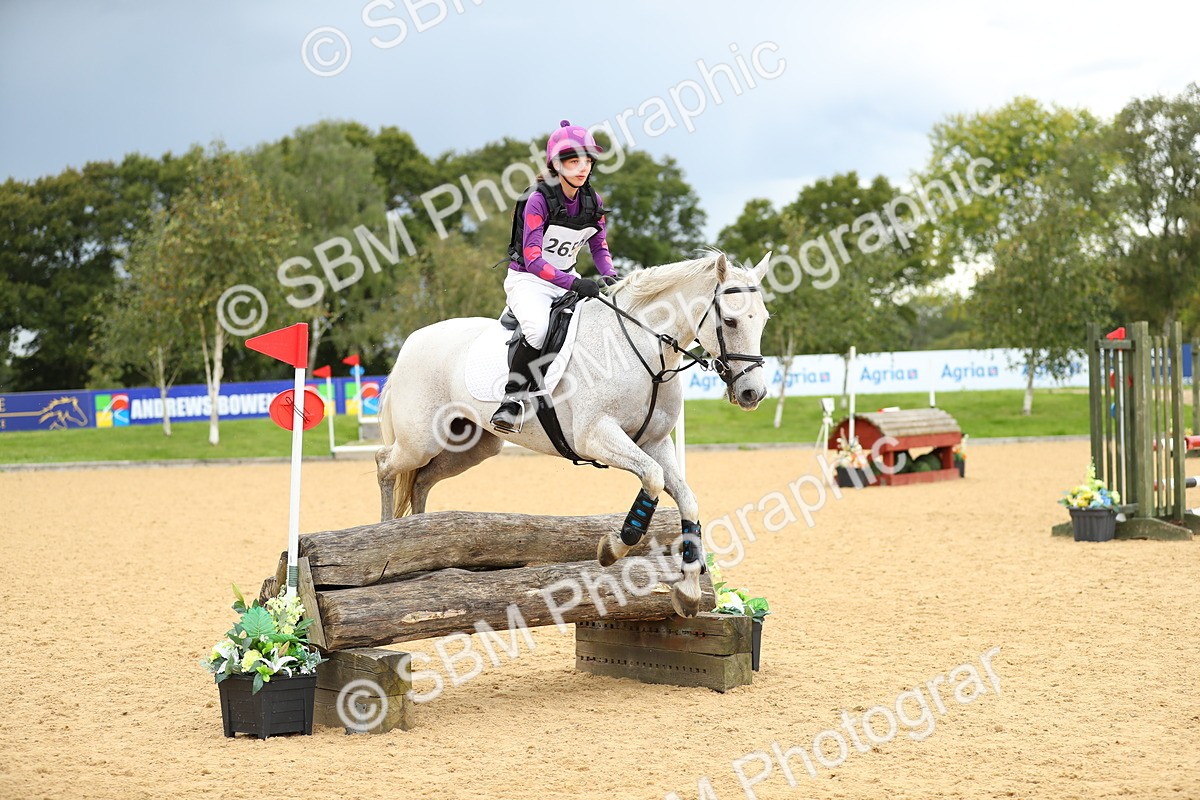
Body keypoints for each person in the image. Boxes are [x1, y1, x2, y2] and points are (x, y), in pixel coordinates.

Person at [490, 120, 618, 433]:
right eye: (573, 161)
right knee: (537, 330)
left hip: (567, 279)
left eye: (587, 160)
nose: (582, 167)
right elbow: (533, 259)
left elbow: (599, 249)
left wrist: (611, 277)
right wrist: (575, 283)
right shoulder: (538, 199)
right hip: (529, 282)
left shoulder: (593, 201)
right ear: (556, 164)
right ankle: (511, 400)